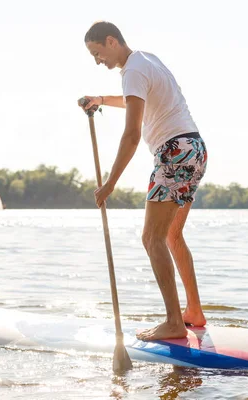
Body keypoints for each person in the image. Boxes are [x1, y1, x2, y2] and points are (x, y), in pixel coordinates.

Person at [79, 21, 208, 340]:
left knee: (152, 238)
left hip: (173, 152)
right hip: (195, 148)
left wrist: (110, 183)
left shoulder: (133, 71)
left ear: (111, 41)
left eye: (98, 53)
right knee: (172, 236)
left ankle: (174, 323)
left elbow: (133, 134)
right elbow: (133, 98)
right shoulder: (146, 60)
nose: (98, 61)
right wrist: (100, 99)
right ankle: (193, 311)